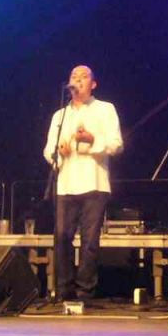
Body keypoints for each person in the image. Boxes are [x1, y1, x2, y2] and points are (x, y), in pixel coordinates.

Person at [42, 65, 123, 301]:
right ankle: (63, 290)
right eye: (74, 77)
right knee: (61, 237)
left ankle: (85, 291)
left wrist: (91, 139)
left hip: (94, 182)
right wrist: (59, 153)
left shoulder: (105, 109)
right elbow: (48, 150)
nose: (77, 80)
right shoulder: (60, 115)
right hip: (66, 183)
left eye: (83, 77)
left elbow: (116, 144)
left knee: (89, 242)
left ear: (93, 84)